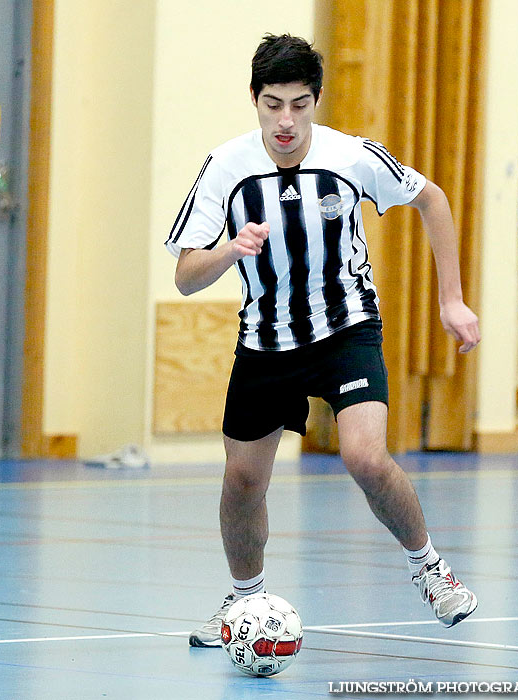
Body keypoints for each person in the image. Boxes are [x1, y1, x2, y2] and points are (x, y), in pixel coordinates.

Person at [165, 34, 480, 648]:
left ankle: (430, 568)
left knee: (364, 456)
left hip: (345, 329)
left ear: (317, 101)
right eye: (274, 104)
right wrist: (230, 250)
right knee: (242, 482)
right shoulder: (224, 169)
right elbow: (184, 276)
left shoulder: (350, 157)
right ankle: (244, 602)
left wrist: (452, 298)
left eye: (301, 105)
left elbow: (433, 201)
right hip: (266, 340)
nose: (287, 121)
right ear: (254, 100)